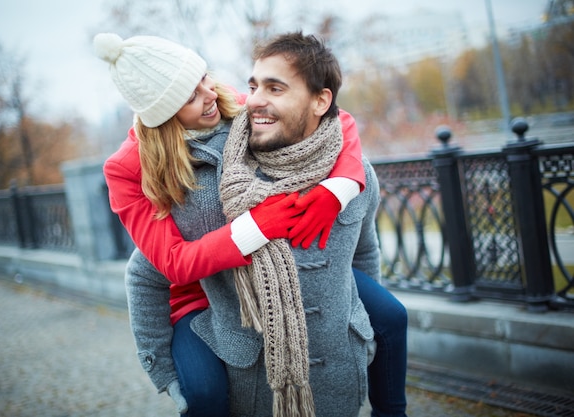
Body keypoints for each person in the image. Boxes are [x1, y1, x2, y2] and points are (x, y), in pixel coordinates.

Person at [94, 32, 407, 417]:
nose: (209, 93)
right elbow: (163, 266)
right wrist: (256, 227)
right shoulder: (128, 170)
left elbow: (330, 119)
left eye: (205, 77)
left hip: (268, 263)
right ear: (165, 114)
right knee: (206, 395)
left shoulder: (233, 107)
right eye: (190, 96)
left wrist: (338, 189)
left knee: (391, 317)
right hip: (197, 287)